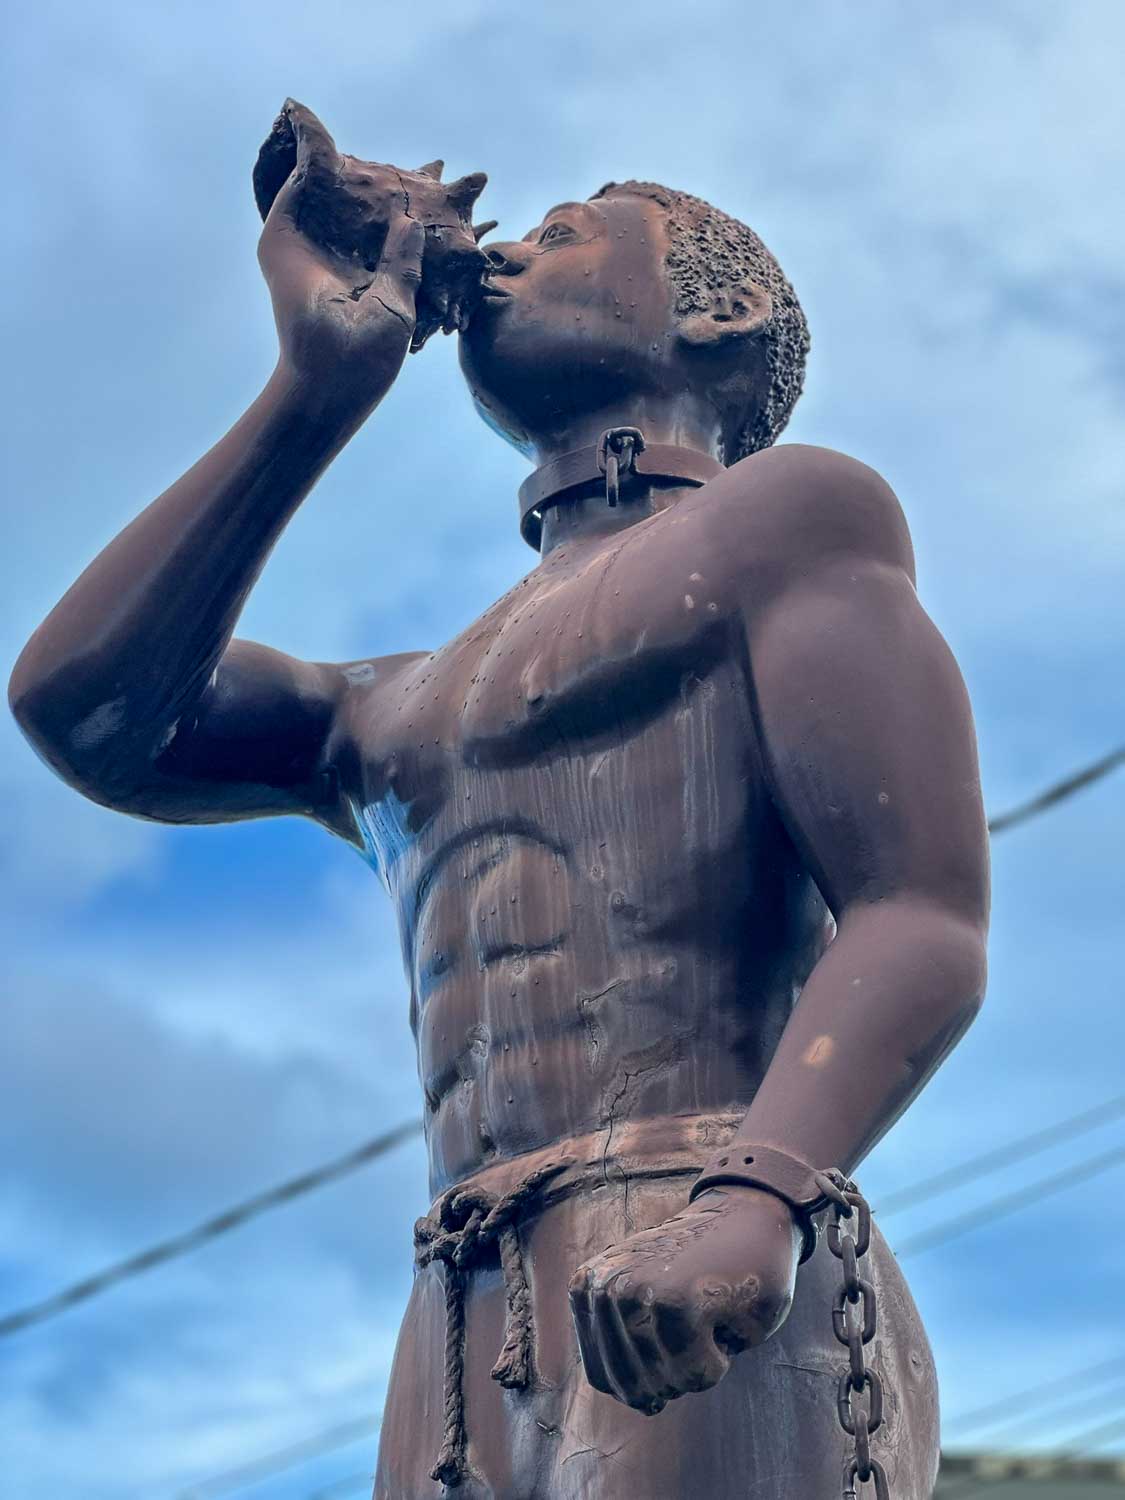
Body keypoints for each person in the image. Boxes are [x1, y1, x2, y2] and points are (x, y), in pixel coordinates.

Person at [9, 103, 989, 1499]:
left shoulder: (787, 522)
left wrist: (755, 1199)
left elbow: (920, 911)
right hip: (458, 1296)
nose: (508, 256)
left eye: (566, 233)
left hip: (698, 1223)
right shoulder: (389, 707)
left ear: (721, 315)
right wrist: (314, 394)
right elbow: (84, 711)